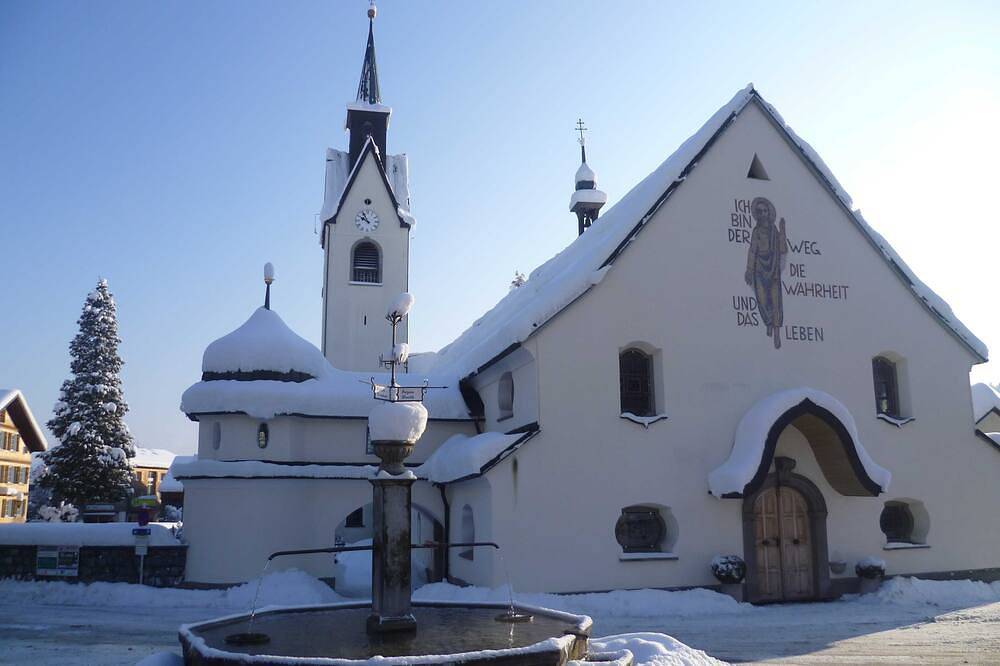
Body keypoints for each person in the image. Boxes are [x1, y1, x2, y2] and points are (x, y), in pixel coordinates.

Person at [744, 197, 787, 349]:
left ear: (769, 213)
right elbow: (752, 250)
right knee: (762, 300)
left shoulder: (774, 231)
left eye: (765, 211)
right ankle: (768, 322)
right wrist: (749, 269)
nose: (762, 214)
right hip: (759, 270)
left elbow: (783, 249)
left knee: (776, 301)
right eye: (759, 211)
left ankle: (777, 334)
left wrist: (783, 231)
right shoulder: (756, 232)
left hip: (773, 269)